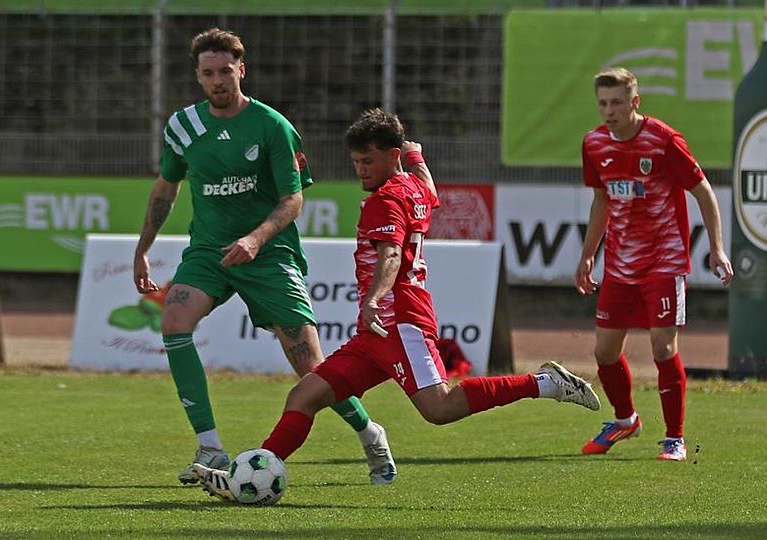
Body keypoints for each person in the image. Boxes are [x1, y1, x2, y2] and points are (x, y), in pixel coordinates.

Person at [196, 108, 601, 502]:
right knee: (305, 396)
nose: (360, 170)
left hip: (400, 321)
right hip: (375, 331)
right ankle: (250, 474)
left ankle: (545, 383)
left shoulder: (384, 201)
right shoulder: (412, 186)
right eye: (355, 161)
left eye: (368, 160)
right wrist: (416, 156)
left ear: (390, 157)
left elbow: (390, 255)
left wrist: (373, 299)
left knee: (439, 408)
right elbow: (430, 189)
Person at [133, 28, 398, 486]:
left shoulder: (272, 126)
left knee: (313, 371)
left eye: (225, 71)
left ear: (242, 70)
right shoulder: (183, 127)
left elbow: (292, 200)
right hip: (209, 252)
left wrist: (255, 240)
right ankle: (211, 448)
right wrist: (143, 249)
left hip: (269, 255)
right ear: (198, 77)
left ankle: (371, 434)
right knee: (174, 322)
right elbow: (165, 187)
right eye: (208, 73)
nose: (218, 80)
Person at [576, 67, 734, 461]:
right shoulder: (594, 144)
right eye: (602, 103)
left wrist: (716, 248)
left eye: (616, 103)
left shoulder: (663, 141)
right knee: (604, 352)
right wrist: (587, 254)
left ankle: (674, 439)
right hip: (620, 265)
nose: (608, 111)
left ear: (635, 102)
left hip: (664, 262)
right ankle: (626, 419)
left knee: (663, 348)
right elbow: (601, 202)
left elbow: (704, 192)